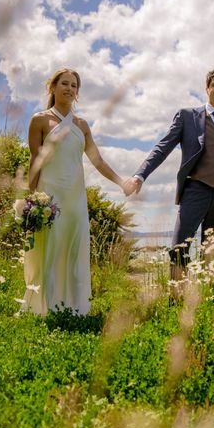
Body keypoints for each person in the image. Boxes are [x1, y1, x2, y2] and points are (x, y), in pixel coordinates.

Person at [123, 68, 214, 280]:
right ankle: (176, 297)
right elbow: (163, 147)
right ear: (207, 88)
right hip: (195, 190)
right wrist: (140, 175)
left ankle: (207, 301)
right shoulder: (187, 116)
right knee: (179, 246)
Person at [24, 68, 126, 315]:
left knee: (75, 247)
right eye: (64, 83)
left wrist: (121, 182)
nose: (69, 88)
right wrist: (30, 199)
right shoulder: (39, 120)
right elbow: (35, 162)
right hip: (49, 196)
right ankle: (46, 307)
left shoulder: (82, 125)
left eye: (74, 85)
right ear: (53, 87)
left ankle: (75, 308)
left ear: (77, 92)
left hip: (75, 197)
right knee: (50, 248)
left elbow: (97, 160)